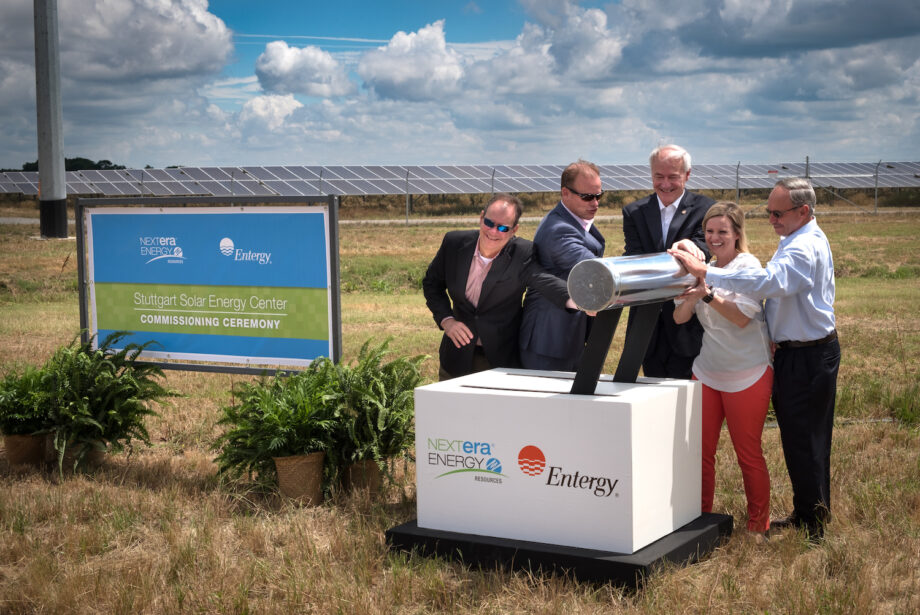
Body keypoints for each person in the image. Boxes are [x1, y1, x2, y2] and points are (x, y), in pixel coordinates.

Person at [670, 178, 839, 541]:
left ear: (803, 211)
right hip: (781, 353)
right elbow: (682, 315)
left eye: (778, 213)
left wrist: (705, 281)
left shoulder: (801, 248)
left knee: (804, 442)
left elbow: (764, 287)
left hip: (801, 356)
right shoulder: (792, 238)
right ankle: (805, 514)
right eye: (769, 213)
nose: (772, 219)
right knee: (797, 441)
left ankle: (809, 525)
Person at [672, 202, 773, 539]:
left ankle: (758, 525)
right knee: (700, 453)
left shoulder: (747, 266)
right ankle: (700, 518)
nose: (714, 238)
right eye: (709, 231)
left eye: (722, 232)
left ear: (737, 234)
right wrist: (691, 297)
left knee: (748, 454)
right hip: (707, 372)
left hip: (748, 373)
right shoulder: (705, 268)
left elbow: (742, 317)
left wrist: (707, 295)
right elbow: (679, 318)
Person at [423, 193, 577, 380]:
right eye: (489, 223)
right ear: (481, 218)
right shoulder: (454, 244)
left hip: (499, 360)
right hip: (455, 357)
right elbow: (432, 284)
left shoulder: (522, 253)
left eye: (503, 228)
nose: (493, 232)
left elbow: (545, 281)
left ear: (514, 230)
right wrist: (447, 320)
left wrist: (579, 299)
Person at [622, 144, 715, 379]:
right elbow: (634, 259)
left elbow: (702, 254)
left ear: (687, 174)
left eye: (673, 176)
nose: (665, 184)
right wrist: (681, 250)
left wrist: (688, 250)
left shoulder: (706, 209)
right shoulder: (634, 212)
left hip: (687, 320)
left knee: (688, 393)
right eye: (658, 176)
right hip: (647, 322)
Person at [519, 160, 605, 371]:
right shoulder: (558, 230)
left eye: (599, 196)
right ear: (565, 193)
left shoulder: (573, 220)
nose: (595, 203)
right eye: (587, 197)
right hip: (549, 339)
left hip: (566, 335)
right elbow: (596, 270)